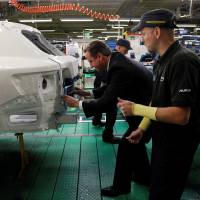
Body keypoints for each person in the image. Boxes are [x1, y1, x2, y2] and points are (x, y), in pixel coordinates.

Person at [118, 9, 200, 200]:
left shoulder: (182, 61)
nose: (142, 39)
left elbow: (181, 115)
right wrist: (143, 127)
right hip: (163, 140)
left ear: (156, 32)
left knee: (163, 194)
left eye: (144, 33)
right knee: (158, 188)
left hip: (178, 146)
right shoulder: (161, 61)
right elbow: (157, 99)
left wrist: (135, 109)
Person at [64, 41, 153, 194]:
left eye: (91, 61)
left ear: (99, 57)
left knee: (126, 147)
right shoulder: (117, 61)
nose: (91, 65)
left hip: (147, 114)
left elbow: (106, 103)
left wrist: (78, 104)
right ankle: (144, 176)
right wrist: (88, 93)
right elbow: (111, 87)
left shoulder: (119, 67)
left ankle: (121, 187)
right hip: (143, 111)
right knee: (136, 145)